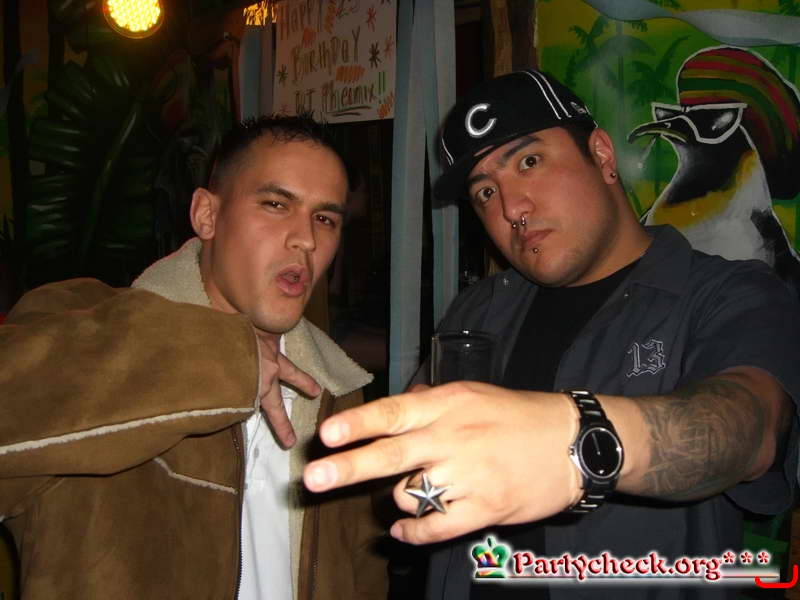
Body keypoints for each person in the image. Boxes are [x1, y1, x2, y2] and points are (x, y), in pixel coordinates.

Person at [303, 70, 800, 598]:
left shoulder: (729, 294)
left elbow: (746, 430)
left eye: (529, 162)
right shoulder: (479, 309)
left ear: (602, 155)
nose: (512, 209)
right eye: (485, 191)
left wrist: (580, 439)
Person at [0, 114, 387, 599]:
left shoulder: (337, 391)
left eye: (325, 218)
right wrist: (222, 358)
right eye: (276, 204)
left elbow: (362, 573)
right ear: (207, 215)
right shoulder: (80, 324)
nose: (306, 239)